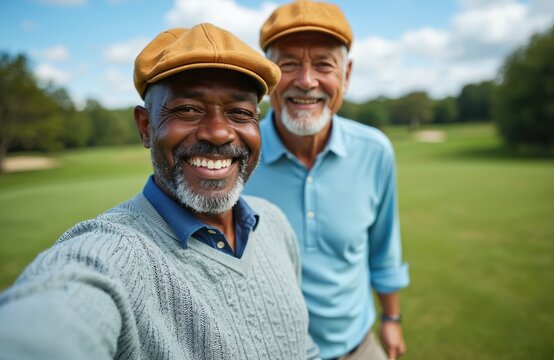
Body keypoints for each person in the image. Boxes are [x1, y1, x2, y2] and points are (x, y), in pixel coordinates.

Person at [0, 23, 320, 360]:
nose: (218, 133)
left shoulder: (273, 223)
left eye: (240, 113)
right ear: (146, 127)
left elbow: (301, 345)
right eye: (188, 109)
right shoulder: (115, 253)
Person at [243, 1, 410, 360]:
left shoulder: (375, 151)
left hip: (359, 346)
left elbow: (384, 248)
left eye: (323, 64)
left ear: (346, 75)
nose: (306, 81)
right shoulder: (237, 154)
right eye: (288, 63)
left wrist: (392, 318)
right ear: (268, 76)